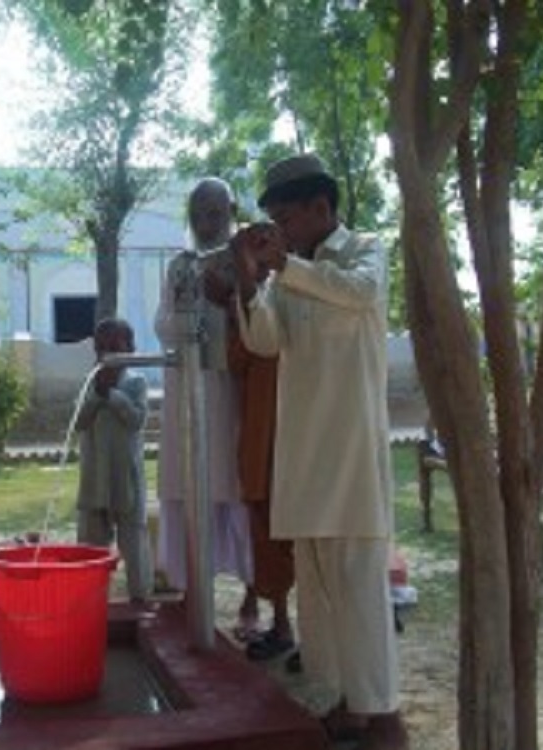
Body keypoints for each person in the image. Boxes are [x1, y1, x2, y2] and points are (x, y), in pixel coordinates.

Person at [233, 154, 409, 749]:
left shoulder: (365, 251)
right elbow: (264, 341)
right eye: (274, 221)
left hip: (351, 455)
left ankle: (384, 716)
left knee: (359, 589)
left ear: (320, 207)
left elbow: (360, 294)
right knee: (317, 591)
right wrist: (249, 281)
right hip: (303, 459)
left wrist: (284, 265)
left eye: (285, 217)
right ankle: (343, 704)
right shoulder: (288, 274)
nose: (279, 230)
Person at [154, 177, 258, 636]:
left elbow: (262, 319)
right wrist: (185, 318)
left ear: (231, 212)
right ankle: (193, 592)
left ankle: (254, 598)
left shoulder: (249, 258)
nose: (205, 224)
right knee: (188, 491)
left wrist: (228, 298)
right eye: (197, 215)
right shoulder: (179, 265)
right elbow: (162, 322)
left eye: (214, 214)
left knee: (237, 491)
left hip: (230, 392)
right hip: (185, 391)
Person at [206, 225, 298, 666]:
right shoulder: (248, 303)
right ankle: (280, 623)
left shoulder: (291, 293)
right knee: (265, 526)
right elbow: (237, 358)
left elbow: (271, 345)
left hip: (293, 435)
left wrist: (241, 296)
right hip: (259, 435)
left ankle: (311, 636)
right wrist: (233, 307)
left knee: (301, 536)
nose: (253, 267)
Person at [75, 317, 153, 603]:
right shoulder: (90, 382)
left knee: (134, 541)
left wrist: (113, 395)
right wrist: (98, 394)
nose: (106, 353)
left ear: (130, 349)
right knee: (91, 545)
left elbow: (137, 420)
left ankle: (141, 596)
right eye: (101, 347)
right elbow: (79, 422)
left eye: (114, 346)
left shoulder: (135, 382)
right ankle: (90, 600)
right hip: (95, 478)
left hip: (125, 478)